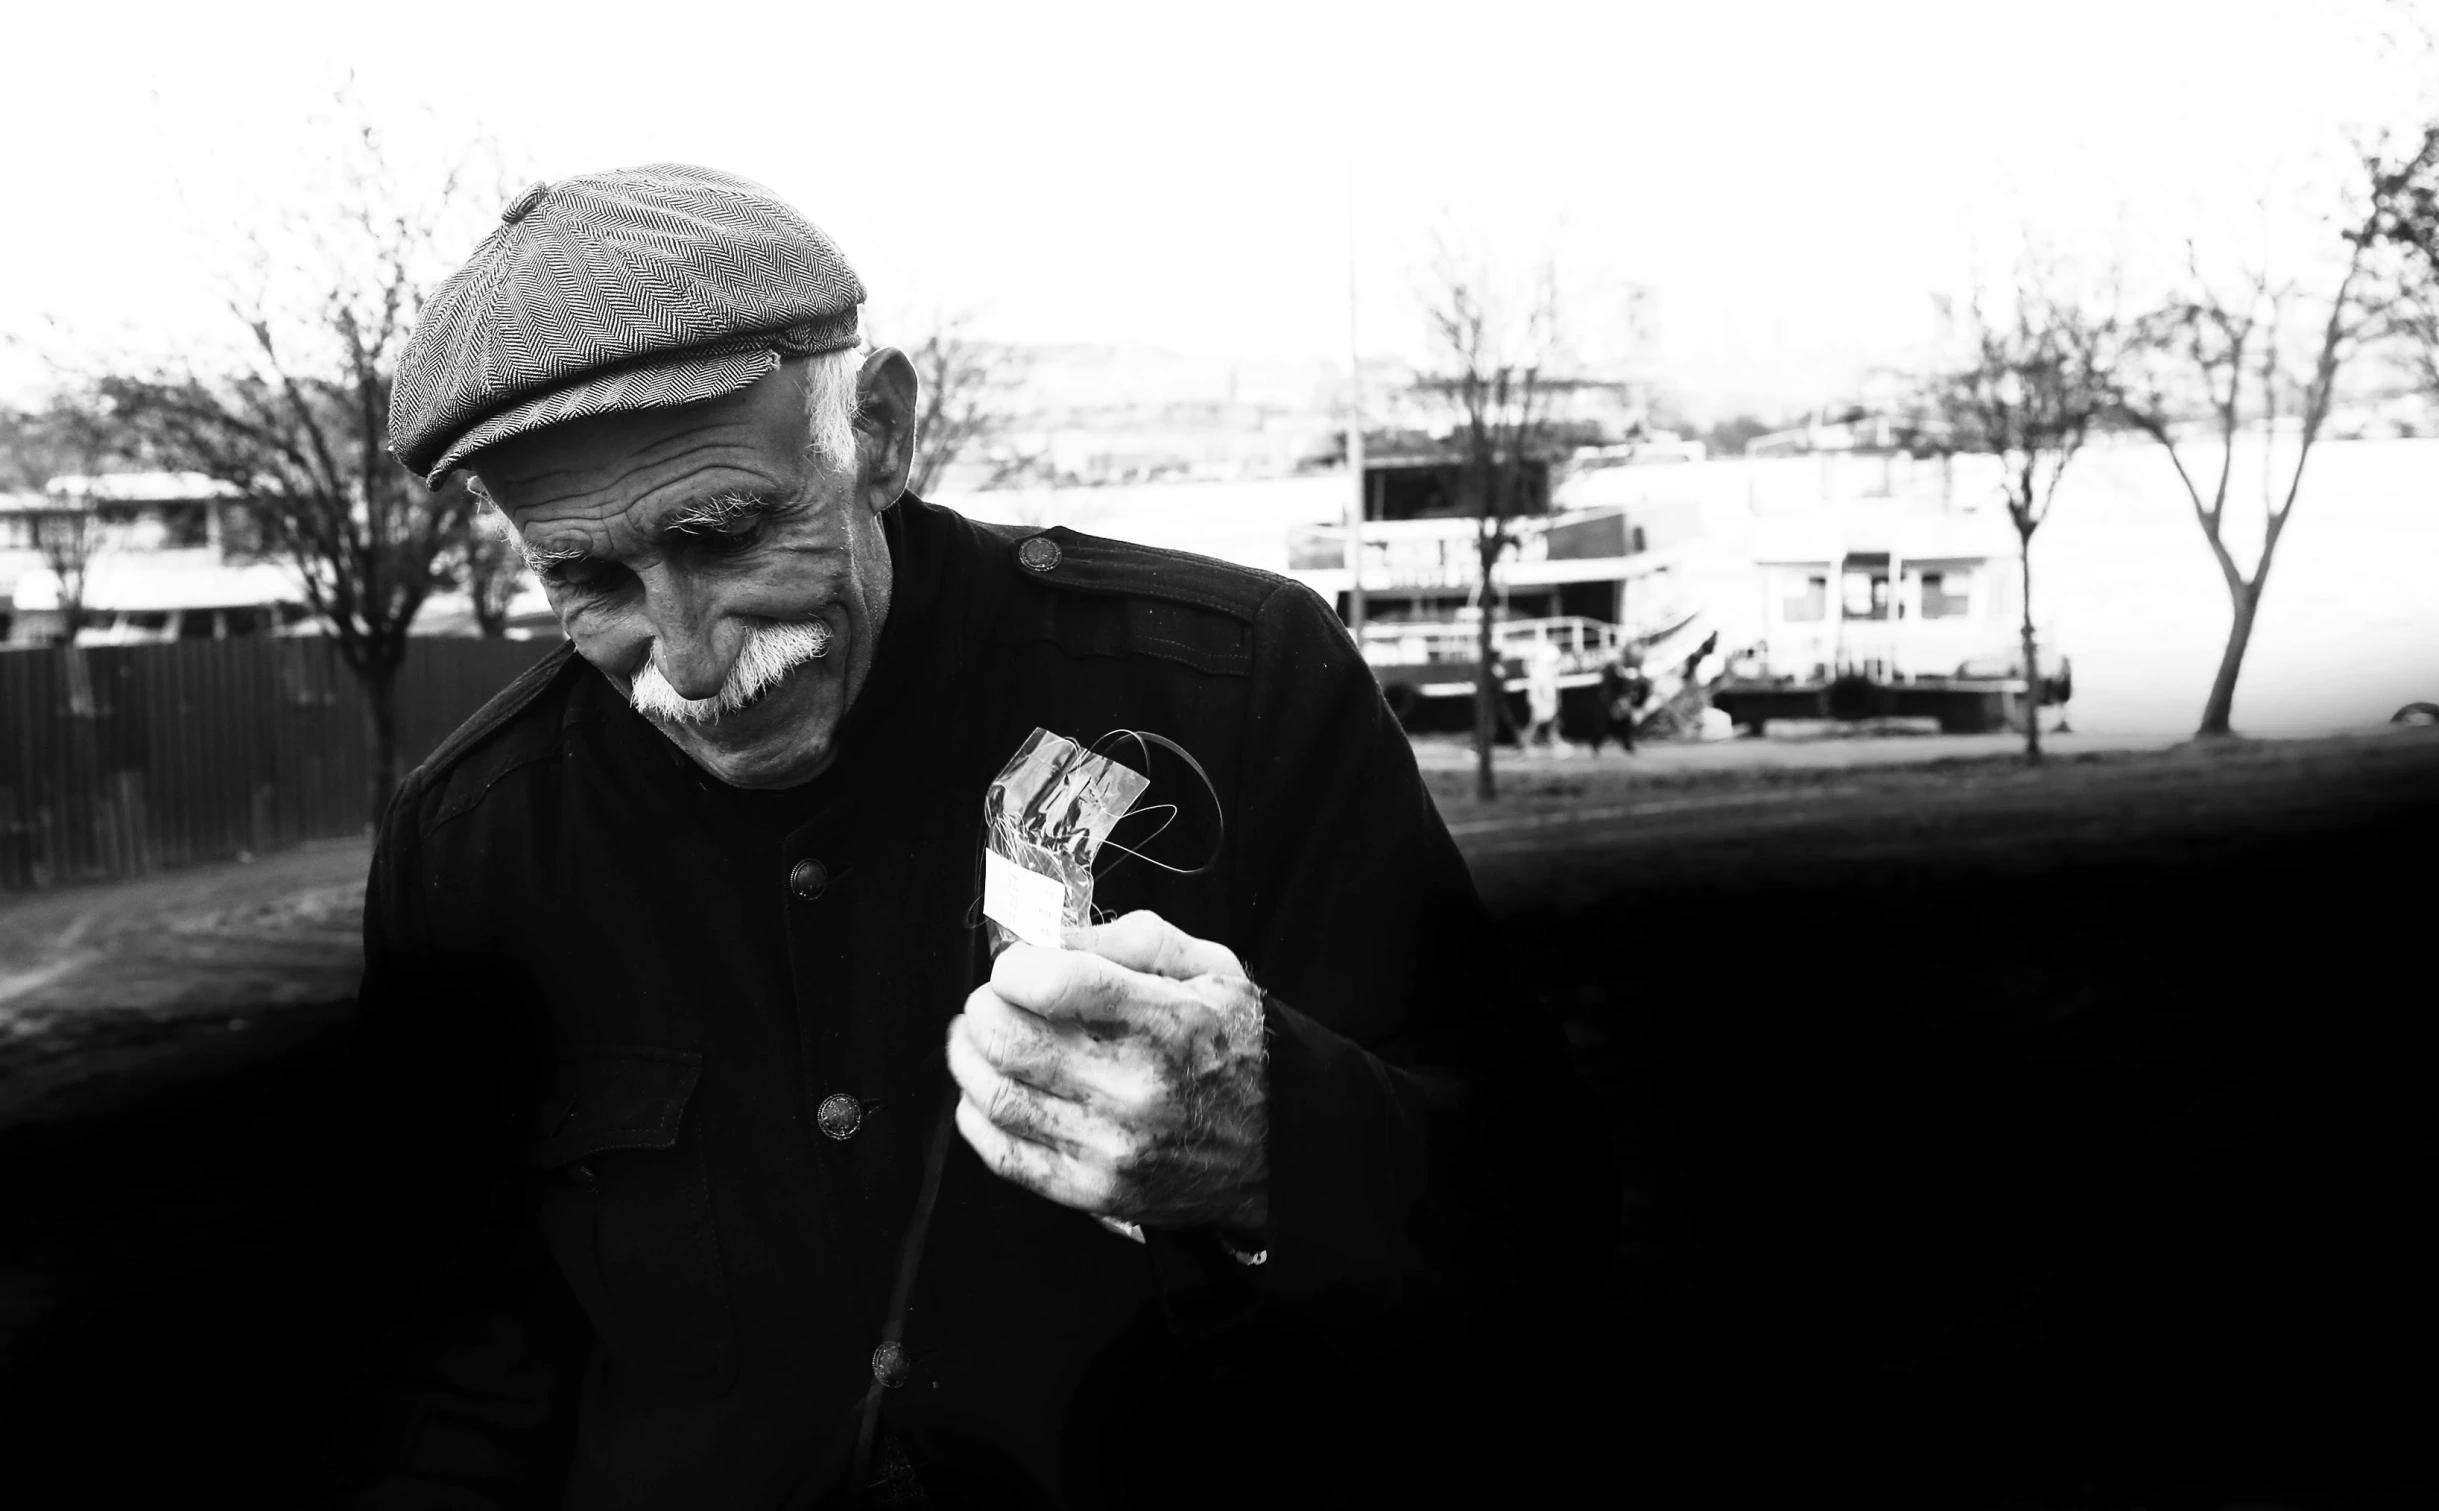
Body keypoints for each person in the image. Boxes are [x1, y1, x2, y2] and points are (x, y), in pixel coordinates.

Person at [318, 165, 1612, 1510]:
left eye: (727, 532)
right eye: (589, 579)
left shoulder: (1238, 688)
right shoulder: (470, 850)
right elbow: (447, 1384)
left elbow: (1535, 1217)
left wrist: (1277, 1141)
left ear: (877, 432)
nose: (691, 664)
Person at [1523, 639, 1565, 755]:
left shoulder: (1546, 671)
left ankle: (1556, 744)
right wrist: (1546, 703)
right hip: (1542, 702)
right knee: (1536, 723)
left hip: (1546, 702)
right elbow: (1539, 691)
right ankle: (1526, 746)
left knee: (1552, 723)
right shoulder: (1541, 672)